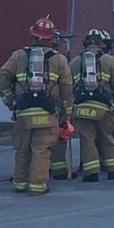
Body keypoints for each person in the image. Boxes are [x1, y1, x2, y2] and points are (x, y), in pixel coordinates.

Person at [0, 16, 74, 196]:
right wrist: (66, 113)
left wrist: (9, 100)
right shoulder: (59, 60)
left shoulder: (18, 55)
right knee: (41, 150)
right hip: (48, 112)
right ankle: (38, 186)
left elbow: (2, 75)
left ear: (33, 35)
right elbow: (67, 88)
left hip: (23, 111)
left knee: (23, 148)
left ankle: (20, 183)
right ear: (53, 38)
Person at [70, 28, 114, 182]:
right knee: (107, 137)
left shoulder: (75, 62)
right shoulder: (109, 60)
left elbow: (69, 85)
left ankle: (91, 173)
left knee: (87, 139)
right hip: (104, 107)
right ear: (101, 44)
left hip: (82, 108)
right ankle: (112, 170)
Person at [50, 29, 75, 181]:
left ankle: (31, 172)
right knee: (59, 138)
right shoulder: (60, 60)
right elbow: (67, 86)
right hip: (56, 106)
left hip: (28, 106)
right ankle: (58, 171)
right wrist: (68, 110)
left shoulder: (26, 56)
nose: (67, 46)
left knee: (33, 141)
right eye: (64, 43)